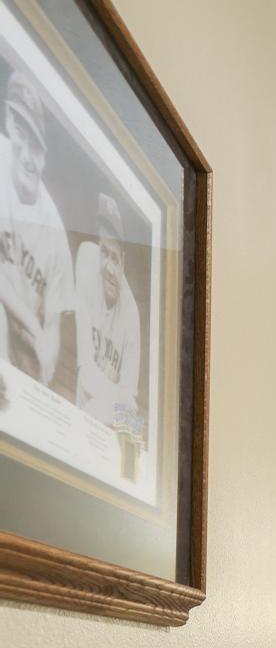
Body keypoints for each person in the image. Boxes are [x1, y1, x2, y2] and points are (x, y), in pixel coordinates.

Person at [0, 69, 73, 388]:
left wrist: (46, 367)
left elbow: (54, 324)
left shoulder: (53, 227)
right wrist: (36, 330)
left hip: (24, 353)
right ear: (9, 125)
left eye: (38, 147)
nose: (30, 157)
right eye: (22, 134)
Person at [74, 192, 140, 429]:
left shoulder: (131, 314)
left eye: (114, 257)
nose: (109, 268)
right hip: (83, 410)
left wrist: (120, 404)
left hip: (112, 426)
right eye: (104, 252)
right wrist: (119, 399)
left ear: (123, 261)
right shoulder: (86, 259)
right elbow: (86, 371)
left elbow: (130, 405)